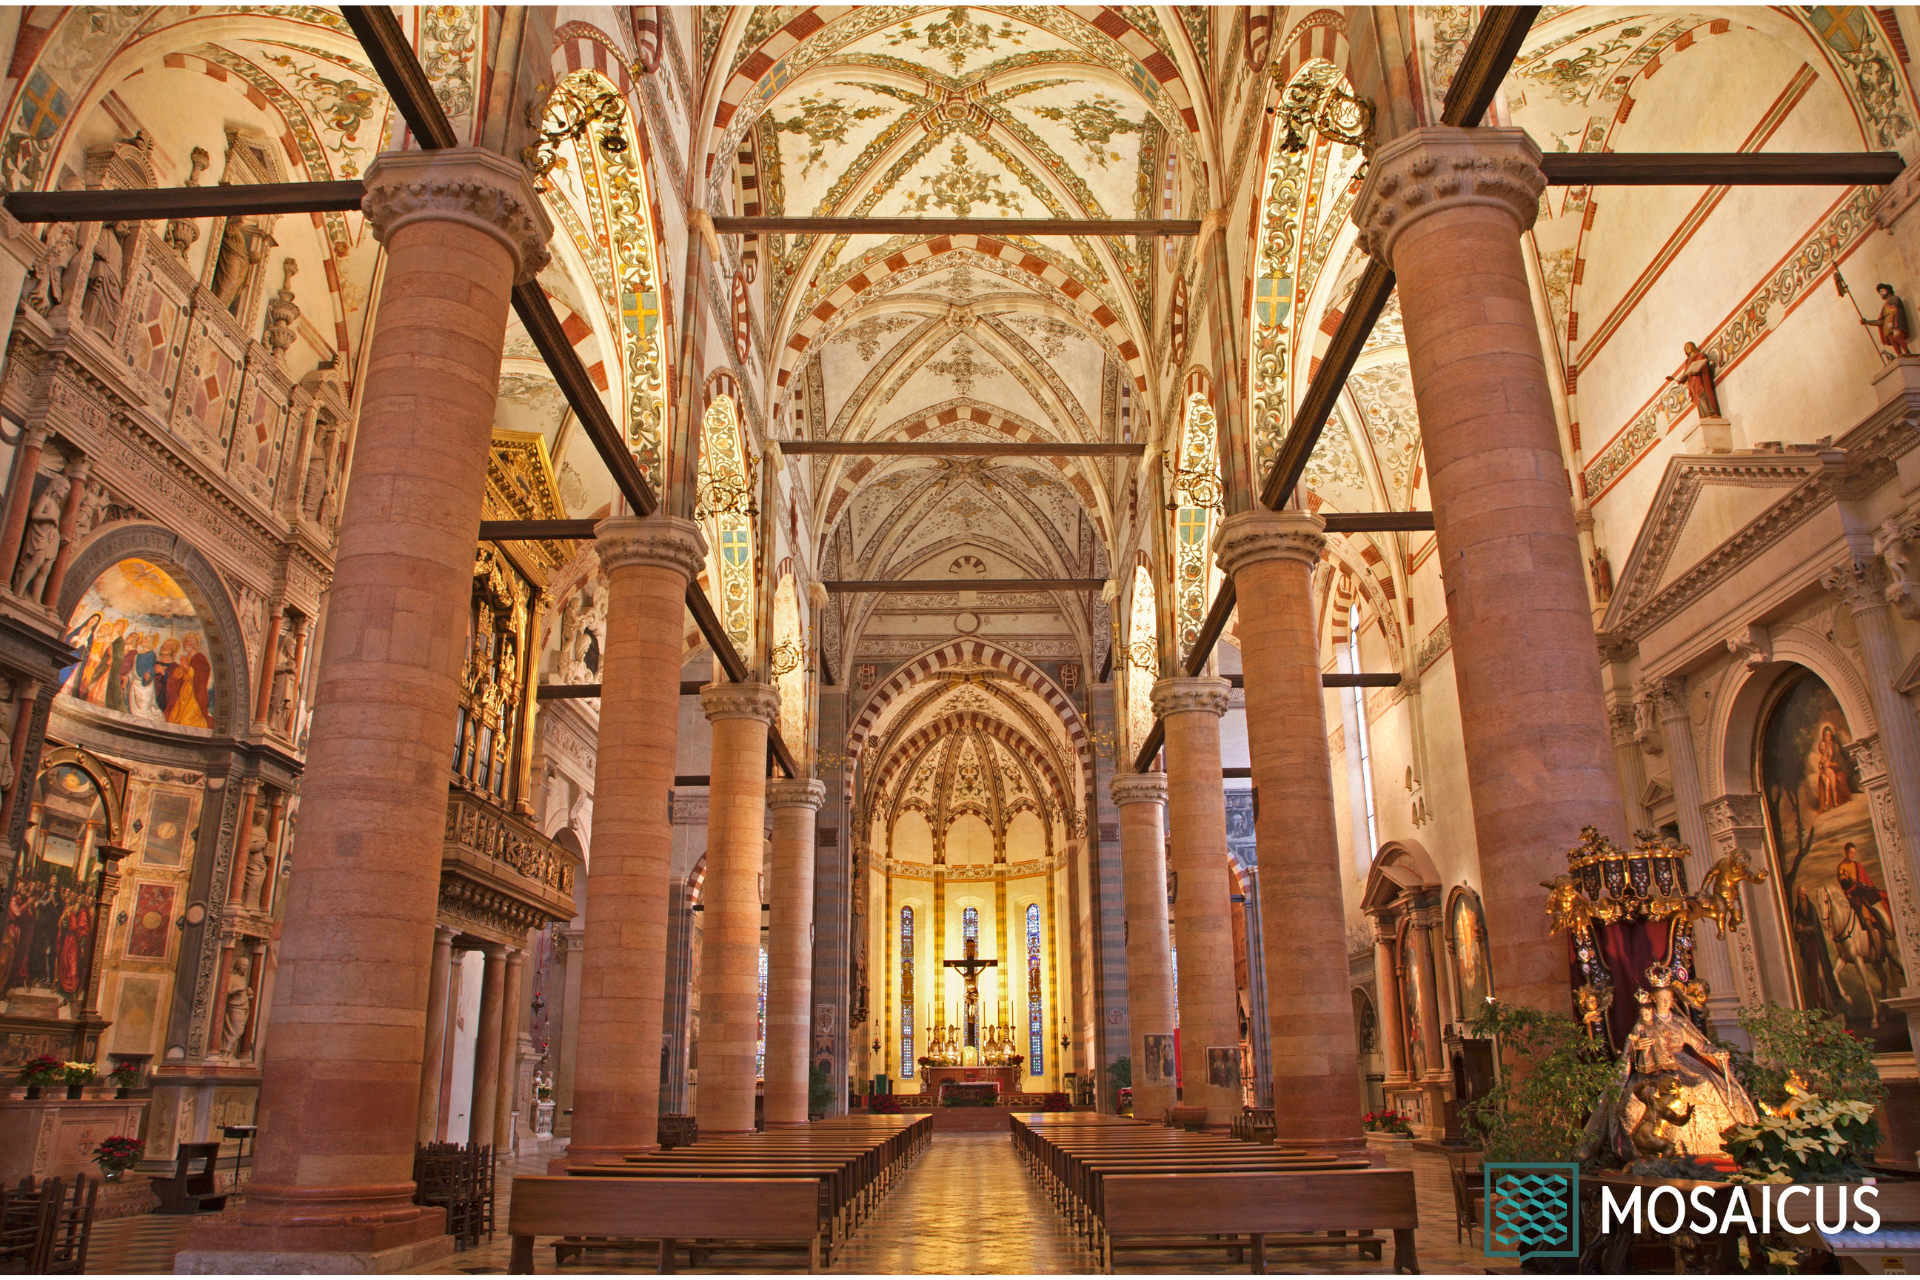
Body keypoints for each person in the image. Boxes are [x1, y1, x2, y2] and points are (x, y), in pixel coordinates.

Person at [1580, 965, 1760, 1163]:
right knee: (1641, 1098)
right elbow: (1632, 1043)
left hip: (1682, 1063)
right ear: (1654, 999)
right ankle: (1655, 1147)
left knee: (1706, 1085)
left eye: (1669, 999)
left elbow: (1699, 1045)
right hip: (1652, 1067)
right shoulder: (1645, 1021)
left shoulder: (1679, 1023)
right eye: (1662, 999)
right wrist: (1638, 1045)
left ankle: (1712, 1145)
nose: (1666, 1003)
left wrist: (1717, 1052)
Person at [1837, 842, 1897, 950]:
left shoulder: (1857, 865)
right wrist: (1850, 882)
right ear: (1846, 852)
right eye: (1851, 853)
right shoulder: (1842, 866)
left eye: (1854, 853)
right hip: (1855, 898)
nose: (1852, 855)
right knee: (1867, 923)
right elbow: (1844, 884)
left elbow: (1865, 882)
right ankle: (1876, 953)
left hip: (1864, 895)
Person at [1668, 342, 1721, 419]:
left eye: (1687, 347)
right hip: (1692, 382)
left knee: (1702, 394)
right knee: (1697, 397)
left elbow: (1704, 366)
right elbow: (1686, 373)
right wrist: (1681, 379)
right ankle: (1703, 414)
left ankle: (1709, 411)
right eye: (1685, 348)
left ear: (1692, 347)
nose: (1686, 350)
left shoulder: (1700, 356)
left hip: (1699, 379)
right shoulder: (1688, 361)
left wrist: (1697, 370)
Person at [1865, 282, 1911, 357]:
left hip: (1895, 323)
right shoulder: (1884, 306)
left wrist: (1891, 322)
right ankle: (1899, 355)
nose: (1881, 294)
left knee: (1898, 337)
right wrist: (1867, 322)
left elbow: (1895, 310)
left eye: (1882, 291)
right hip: (1887, 328)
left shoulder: (1895, 299)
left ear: (1887, 290)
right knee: (1893, 340)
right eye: (1880, 292)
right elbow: (1880, 320)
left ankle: (1907, 352)